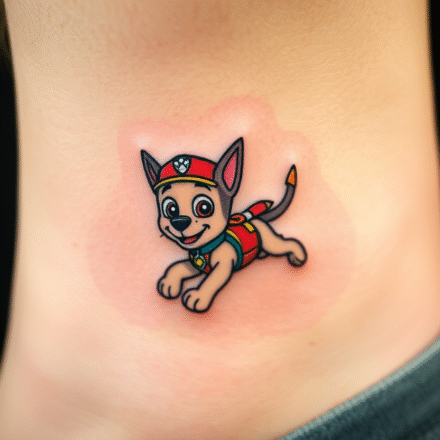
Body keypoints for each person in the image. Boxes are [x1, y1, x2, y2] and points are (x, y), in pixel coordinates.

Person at [1, 1, 439, 439]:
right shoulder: (199, 250)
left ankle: (287, 247)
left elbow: (216, 272)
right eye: (172, 211)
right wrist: (179, 274)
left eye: (202, 209)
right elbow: (192, 265)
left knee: (273, 242)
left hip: (379, 390)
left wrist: (206, 288)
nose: (184, 223)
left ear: (227, 187)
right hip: (54, 418)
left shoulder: (227, 249)